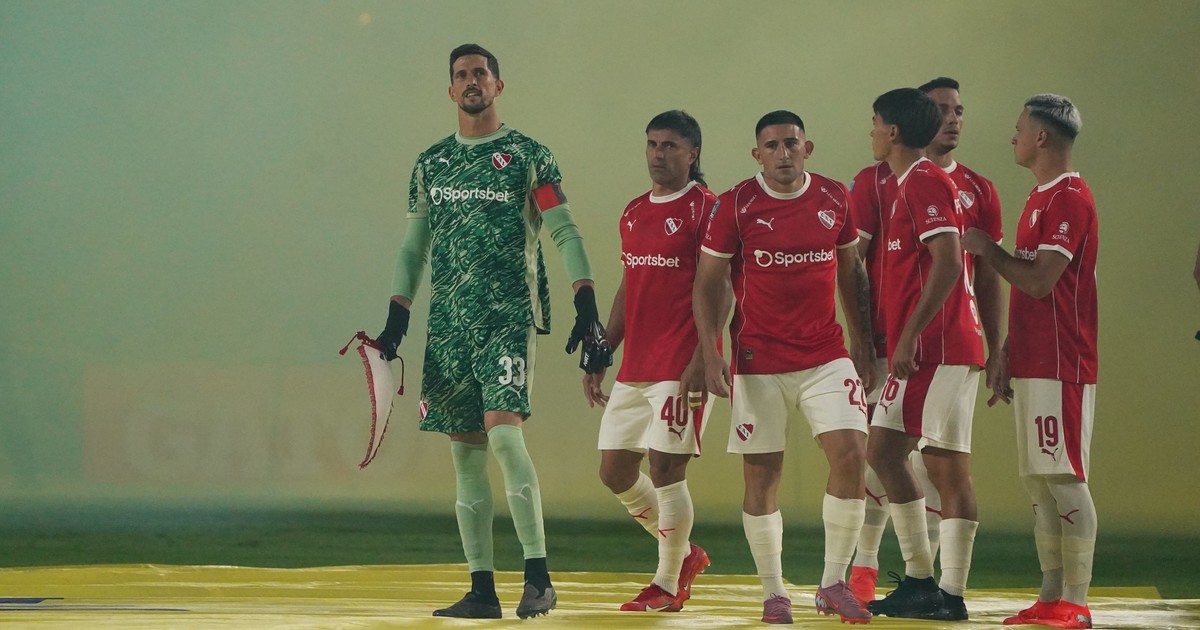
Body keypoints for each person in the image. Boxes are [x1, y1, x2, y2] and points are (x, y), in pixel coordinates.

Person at [374, 43, 611, 620]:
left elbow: (563, 230)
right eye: (461, 75)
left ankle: (538, 577)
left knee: (504, 438)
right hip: (448, 324)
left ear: (498, 85)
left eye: (480, 72)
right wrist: (397, 317)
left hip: (506, 317)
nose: (471, 81)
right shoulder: (431, 163)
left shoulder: (529, 156)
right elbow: (413, 247)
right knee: (465, 458)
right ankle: (482, 590)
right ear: (450, 90)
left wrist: (585, 300)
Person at [693, 110, 875, 625]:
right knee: (762, 477)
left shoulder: (834, 197)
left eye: (791, 143)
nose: (783, 153)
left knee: (851, 455)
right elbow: (707, 283)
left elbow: (851, 271)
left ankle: (833, 583)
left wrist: (863, 341)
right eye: (771, 146)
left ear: (807, 148)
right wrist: (710, 352)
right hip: (758, 360)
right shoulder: (735, 204)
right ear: (757, 155)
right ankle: (774, 593)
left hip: (825, 355)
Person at [847, 77, 1005, 607]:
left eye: (874, 124)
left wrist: (909, 335)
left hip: (937, 347)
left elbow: (949, 262)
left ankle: (919, 580)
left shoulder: (920, 182)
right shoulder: (912, 182)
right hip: (954, 345)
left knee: (883, 451)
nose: (871, 133)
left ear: (892, 131)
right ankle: (950, 593)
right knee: (947, 466)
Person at [962, 94, 1098, 630]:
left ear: (1041, 137)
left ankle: (1077, 602)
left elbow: (1040, 281)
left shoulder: (1069, 198)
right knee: (1040, 483)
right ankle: (1051, 595)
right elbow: (1029, 288)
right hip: (1036, 360)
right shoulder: (1040, 197)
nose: (1012, 137)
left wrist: (988, 249)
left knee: (1063, 476)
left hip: (1064, 361)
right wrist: (1007, 352)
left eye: (1019, 128)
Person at [582, 110, 721, 613]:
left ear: (693, 153)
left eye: (670, 146)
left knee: (666, 467)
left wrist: (704, 357)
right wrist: (603, 348)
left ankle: (666, 583)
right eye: (652, 144)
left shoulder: (708, 209)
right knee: (614, 470)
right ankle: (684, 554)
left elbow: (721, 287)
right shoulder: (635, 211)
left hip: (682, 363)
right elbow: (631, 284)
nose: (658, 154)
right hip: (636, 364)